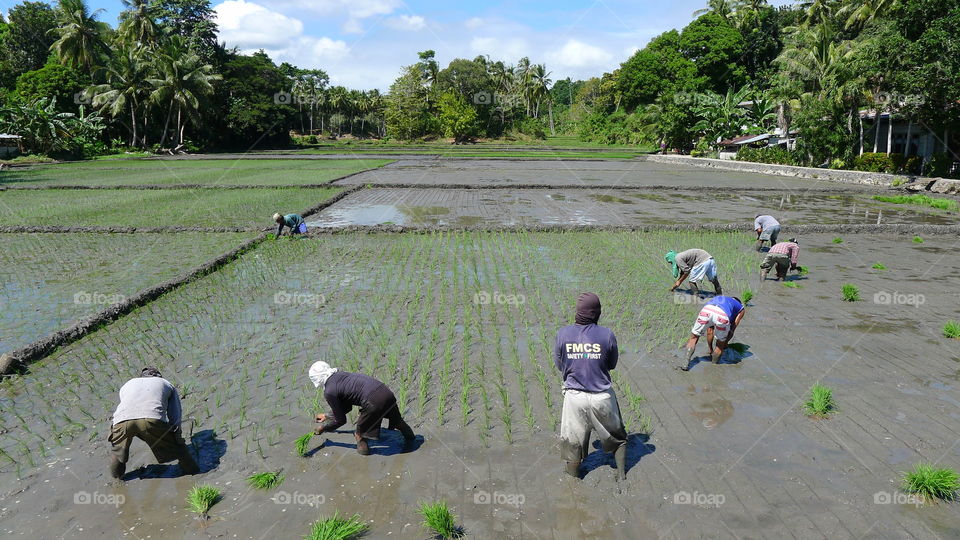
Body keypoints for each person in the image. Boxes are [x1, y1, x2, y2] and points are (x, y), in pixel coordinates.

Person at [554, 293, 628, 480]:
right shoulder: (607, 334)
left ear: (578, 312)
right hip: (602, 397)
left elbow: (560, 364)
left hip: (574, 398)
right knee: (618, 438)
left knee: (573, 445)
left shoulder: (563, 333)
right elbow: (612, 364)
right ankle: (621, 475)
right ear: (597, 313)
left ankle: (573, 482)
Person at [108, 367, 199, 479]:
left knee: (118, 453)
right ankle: (194, 473)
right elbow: (175, 414)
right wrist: (176, 436)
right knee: (179, 449)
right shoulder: (165, 383)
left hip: (120, 420)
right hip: (151, 417)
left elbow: (127, 406)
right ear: (158, 376)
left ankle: (117, 481)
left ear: (142, 376)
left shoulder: (128, 384)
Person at [310, 361, 416, 455]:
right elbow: (347, 406)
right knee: (398, 422)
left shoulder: (329, 391)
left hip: (373, 402)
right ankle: (414, 442)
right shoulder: (341, 375)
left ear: (317, 379)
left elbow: (341, 420)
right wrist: (326, 416)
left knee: (359, 434)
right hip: (386, 393)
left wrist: (322, 428)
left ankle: (364, 460)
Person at [679, 296, 746, 371]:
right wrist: (725, 342)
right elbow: (732, 328)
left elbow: (710, 331)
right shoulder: (741, 308)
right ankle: (714, 366)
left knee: (694, 338)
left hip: (707, 310)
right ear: (738, 302)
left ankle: (685, 362)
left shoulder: (721, 298)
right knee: (719, 345)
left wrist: (710, 348)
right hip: (722, 315)